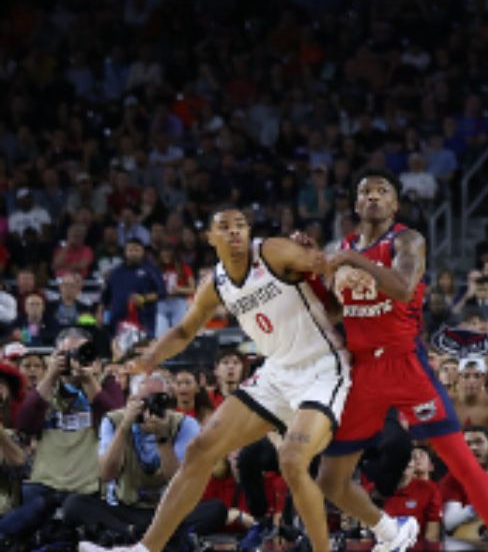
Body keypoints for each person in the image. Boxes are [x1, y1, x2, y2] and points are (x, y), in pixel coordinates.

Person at [77, 209, 348, 552]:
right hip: (277, 371)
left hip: (320, 367)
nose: (235, 233)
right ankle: (144, 550)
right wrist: (148, 360)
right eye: (225, 227)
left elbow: (322, 263)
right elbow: (184, 330)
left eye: (241, 227)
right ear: (210, 238)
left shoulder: (273, 251)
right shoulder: (216, 283)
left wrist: (327, 264)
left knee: (293, 461)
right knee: (200, 450)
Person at [315, 168, 488, 552]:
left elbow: (403, 288)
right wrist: (311, 272)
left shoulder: (407, 240)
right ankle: (391, 531)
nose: (373, 196)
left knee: (459, 459)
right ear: (356, 204)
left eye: (382, 191)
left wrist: (352, 262)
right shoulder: (344, 248)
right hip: (362, 371)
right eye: (366, 192)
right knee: (330, 479)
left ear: (394, 204)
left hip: (405, 364)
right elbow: (335, 311)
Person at [65, 372, 223, 547]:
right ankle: (144, 534)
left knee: (216, 510)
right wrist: (124, 427)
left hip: (166, 509)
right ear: (131, 401)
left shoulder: (185, 424)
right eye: (143, 400)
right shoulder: (113, 420)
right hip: (124, 508)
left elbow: (178, 482)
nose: (150, 407)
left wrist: (163, 440)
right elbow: (107, 474)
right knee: (74, 505)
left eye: (157, 400)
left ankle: (131, 535)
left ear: (168, 401)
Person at [0, 329, 119, 544]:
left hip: (89, 486)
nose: (74, 359)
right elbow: (25, 425)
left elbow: (115, 423)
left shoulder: (105, 383)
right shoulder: (46, 387)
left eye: (80, 352)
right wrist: (51, 375)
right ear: (55, 356)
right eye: (67, 353)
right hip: (45, 482)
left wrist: (89, 380)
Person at [452, 357, 488, 429]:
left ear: (484, 379)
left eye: (477, 376)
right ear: (458, 378)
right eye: (466, 376)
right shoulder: (447, 403)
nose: (472, 381)